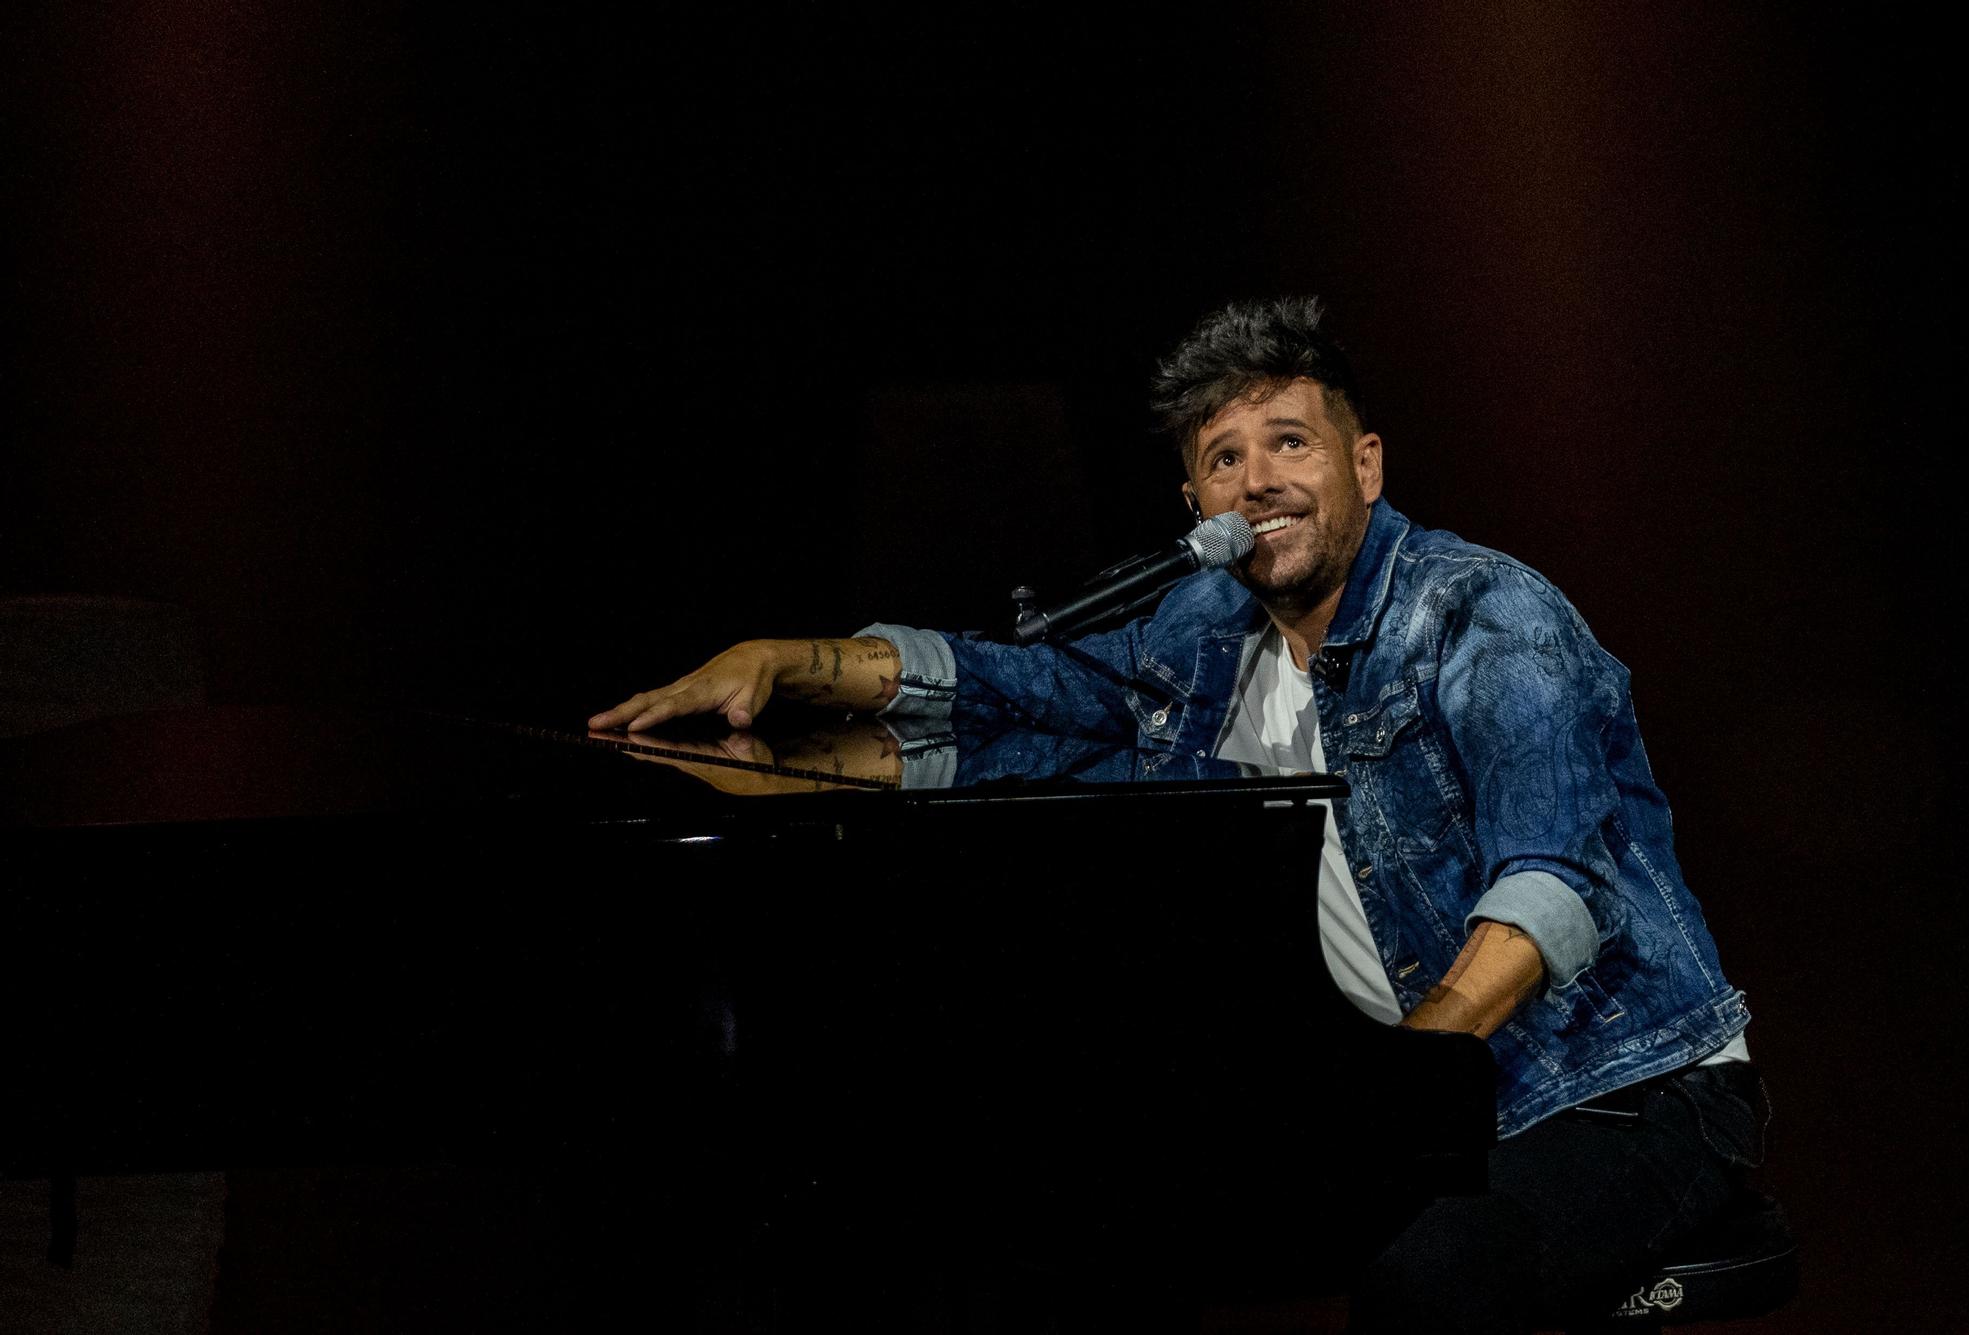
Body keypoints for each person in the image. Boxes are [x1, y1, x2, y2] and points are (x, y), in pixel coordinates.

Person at [591, 297, 1766, 1333]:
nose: (1256, 481)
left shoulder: (1483, 616)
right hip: (1395, 1091)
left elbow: (1552, 883)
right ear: (1193, 500)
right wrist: (785, 659)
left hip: (1615, 1086)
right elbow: (1019, 689)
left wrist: (1399, 1085)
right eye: (1221, 459)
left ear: (1365, 463)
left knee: (1429, 1286)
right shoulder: (1202, 633)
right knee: (1062, 1235)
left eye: (1288, 443)